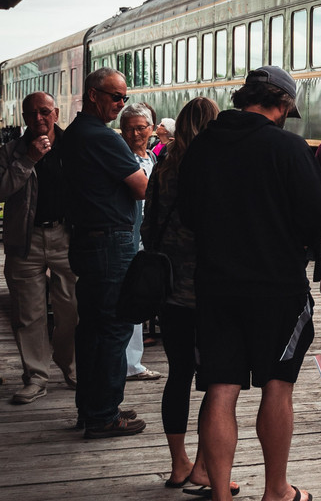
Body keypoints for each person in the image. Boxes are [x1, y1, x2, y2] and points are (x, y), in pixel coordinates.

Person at [178, 65, 321, 501]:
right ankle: (276, 491)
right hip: (276, 287)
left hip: (215, 286)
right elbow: (320, 217)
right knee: (276, 386)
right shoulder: (288, 147)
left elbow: (188, 216)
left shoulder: (203, 145)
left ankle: (221, 493)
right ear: (281, 104)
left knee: (220, 388)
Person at [58, 68, 149, 438]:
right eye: (116, 97)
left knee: (93, 326)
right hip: (111, 240)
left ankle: (91, 405)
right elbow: (142, 187)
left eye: (125, 98)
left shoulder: (74, 135)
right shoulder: (103, 138)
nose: (121, 104)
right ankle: (104, 414)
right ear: (93, 95)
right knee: (114, 326)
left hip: (86, 238)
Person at [139, 97, 224, 491]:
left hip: (169, 288)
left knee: (178, 374)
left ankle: (178, 464)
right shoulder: (215, 168)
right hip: (208, 289)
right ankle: (206, 467)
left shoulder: (162, 167)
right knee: (214, 379)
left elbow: (147, 226)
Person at [0, 91, 77, 405]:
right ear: (23, 117)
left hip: (67, 237)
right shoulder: (11, 152)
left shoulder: (74, 146)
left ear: (56, 113)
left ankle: (70, 366)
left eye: (44, 111)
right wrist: (29, 160)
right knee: (28, 314)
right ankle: (36, 377)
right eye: (31, 113)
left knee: (72, 310)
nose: (38, 118)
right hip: (25, 240)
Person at [120, 102, 162, 382]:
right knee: (129, 299)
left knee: (140, 296)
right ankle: (128, 364)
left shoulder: (152, 158)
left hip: (149, 237)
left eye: (141, 128)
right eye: (129, 128)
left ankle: (132, 362)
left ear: (151, 130)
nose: (136, 134)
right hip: (129, 236)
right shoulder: (122, 158)